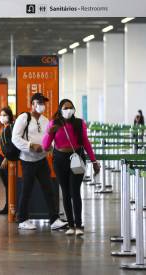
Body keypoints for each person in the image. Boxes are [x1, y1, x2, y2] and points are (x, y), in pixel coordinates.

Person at [43, 99, 100, 236]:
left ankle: (79, 225)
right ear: (60, 110)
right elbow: (45, 146)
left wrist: (94, 161)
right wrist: (50, 132)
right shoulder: (54, 123)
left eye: (70, 107)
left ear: (74, 109)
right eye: (65, 107)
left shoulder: (79, 123)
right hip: (59, 160)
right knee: (66, 193)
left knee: (75, 191)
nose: (68, 110)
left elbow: (86, 142)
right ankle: (71, 224)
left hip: (77, 158)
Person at [12, 93, 67, 231]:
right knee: (26, 190)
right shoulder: (24, 118)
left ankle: (54, 219)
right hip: (27, 160)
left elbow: (49, 138)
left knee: (49, 189)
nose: (42, 105)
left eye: (43, 102)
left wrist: (50, 147)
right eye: (39, 102)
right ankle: (23, 219)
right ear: (33, 104)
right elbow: (15, 138)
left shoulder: (45, 120)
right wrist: (31, 145)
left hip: (41, 160)